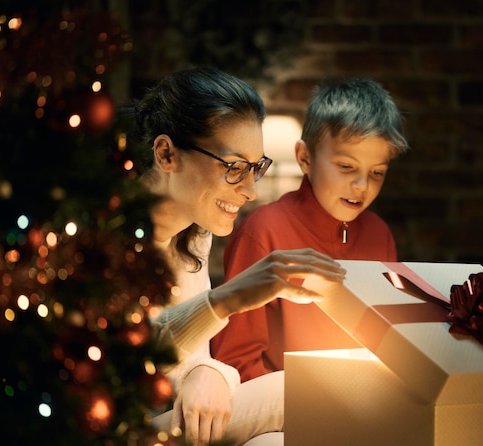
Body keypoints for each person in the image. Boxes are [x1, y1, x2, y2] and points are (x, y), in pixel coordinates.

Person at [129, 66, 347, 446]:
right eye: (233, 168)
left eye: (256, 168)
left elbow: (187, 360)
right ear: (166, 154)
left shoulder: (194, 235)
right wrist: (226, 300)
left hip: (174, 419)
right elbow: (130, 361)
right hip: (118, 430)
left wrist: (209, 373)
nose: (249, 190)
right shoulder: (103, 238)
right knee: (314, 394)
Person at [211, 77, 410, 383]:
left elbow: (393, 345)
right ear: (305, 158)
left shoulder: (379, 235)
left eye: (377, 173)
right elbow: (235, 358)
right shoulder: (264, 231)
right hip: (278, 413)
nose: (361, 186)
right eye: (346, 167)